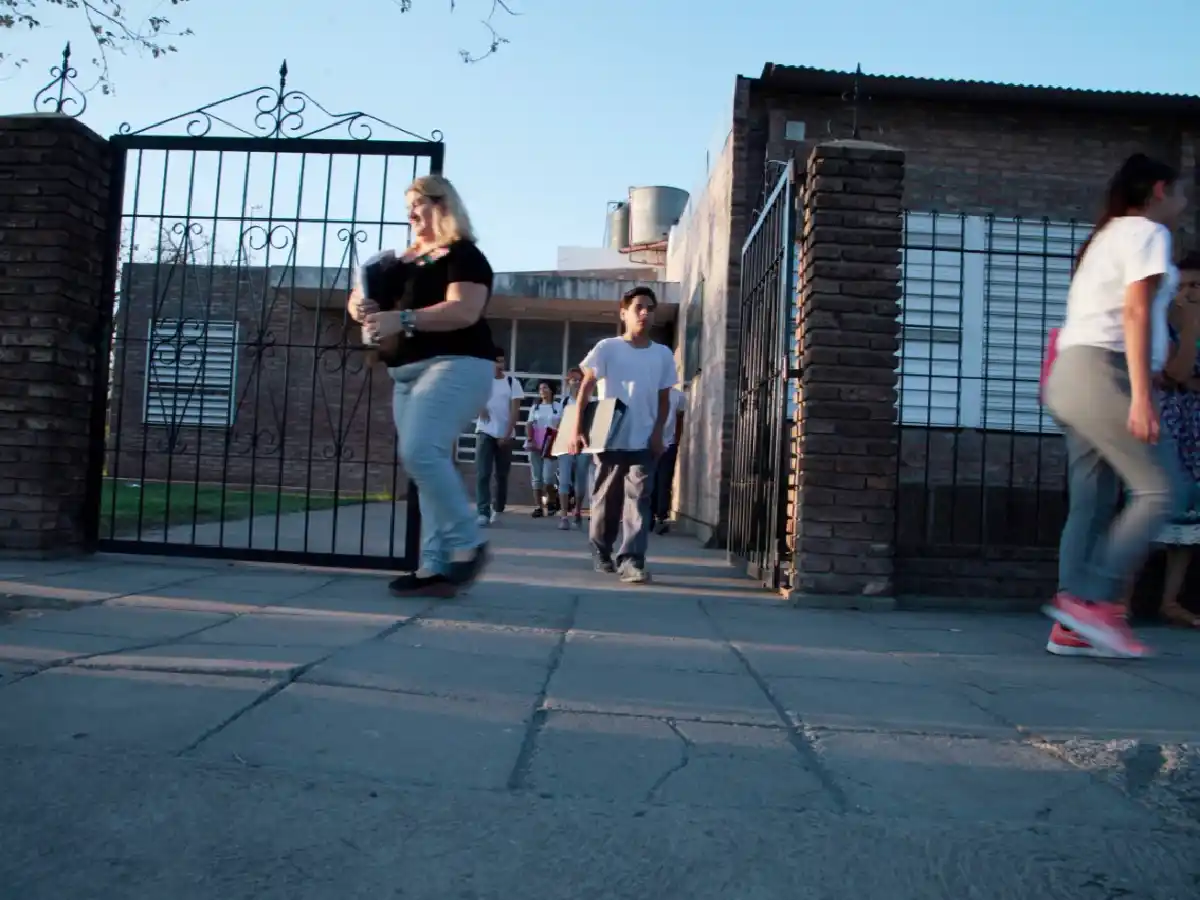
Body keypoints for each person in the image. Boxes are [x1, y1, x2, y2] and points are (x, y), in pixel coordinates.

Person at [1042, 152, 1189, 659]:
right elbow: (1135, 310)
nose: (1186, 204)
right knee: (1163, 489)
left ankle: (1071, 620)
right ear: (1160, 190)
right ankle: (1097, 604)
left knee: (1093, 502)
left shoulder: (1105, 236)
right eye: (1183, 193)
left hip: (1070, 374)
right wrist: (1142, 398)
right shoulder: (1147, 233)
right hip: (1106, 373)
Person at [347, 174, 495, 599]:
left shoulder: (464, 255)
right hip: (405, 372)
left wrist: (405, 319)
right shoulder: (399, 261)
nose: (411, 214)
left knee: (420, 452)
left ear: (443, 205)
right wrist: (360, 306)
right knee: (424, 466)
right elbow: (361, 298)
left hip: (458, 363)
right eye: (408, 207)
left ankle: (468, 541)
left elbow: (464, 310)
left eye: (419, 204)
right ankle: (434, 566)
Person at [565, 286, 677, 584]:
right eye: (639, 307)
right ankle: (601, 549)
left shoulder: (662, 354)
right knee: (605, 500)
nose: (645, 313)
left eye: (650, 308)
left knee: (639, 500)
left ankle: (631, 560)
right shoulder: (607, 348)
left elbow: (664, 399)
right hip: (608, 437)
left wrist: (658, 434)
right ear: (624, 312)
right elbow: (586, 389)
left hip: (644, 441)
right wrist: (576, 429)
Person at [474, 349, 524, 527]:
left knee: (501, 475)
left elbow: (515, 410)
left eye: (501, 361)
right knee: (483, 473)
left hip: (505, 433)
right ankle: (482, 511)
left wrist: (507, 433)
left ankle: (498, 509)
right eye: (496, 361)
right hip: (485, 431)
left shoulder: (512, 382)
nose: (499, 365)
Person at [557, 367, 590, 531]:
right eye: (573, 380)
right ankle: (563, 516)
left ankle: (577, 510)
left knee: (580, 482)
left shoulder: (590, 402)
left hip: (583, 447)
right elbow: (556, 424)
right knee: (563, 481)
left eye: (579, 380)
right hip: (565, 446)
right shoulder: (563, 402)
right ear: (568, 382)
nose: (576, 383)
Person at [651, 382, 686, 535]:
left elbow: (680, 419)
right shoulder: (649, 391)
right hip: (649, 443)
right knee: (650, 480)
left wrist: (677, 440)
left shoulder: (678, 395)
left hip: (669, 444)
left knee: (665, 480)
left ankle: (661, 516)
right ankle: (648, 516)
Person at [525, 381, 563, 518]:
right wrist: (530, 438)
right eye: (540, 388)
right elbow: (529, 423)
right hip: (536, 444)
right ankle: (538, 506)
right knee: (536, 477)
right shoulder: (535, 407)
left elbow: (562, 423)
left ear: (552, 390)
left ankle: (552, 501)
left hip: (551, 444)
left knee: (548, 477)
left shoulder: (558, 406)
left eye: (545, 387)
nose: (542, 390)